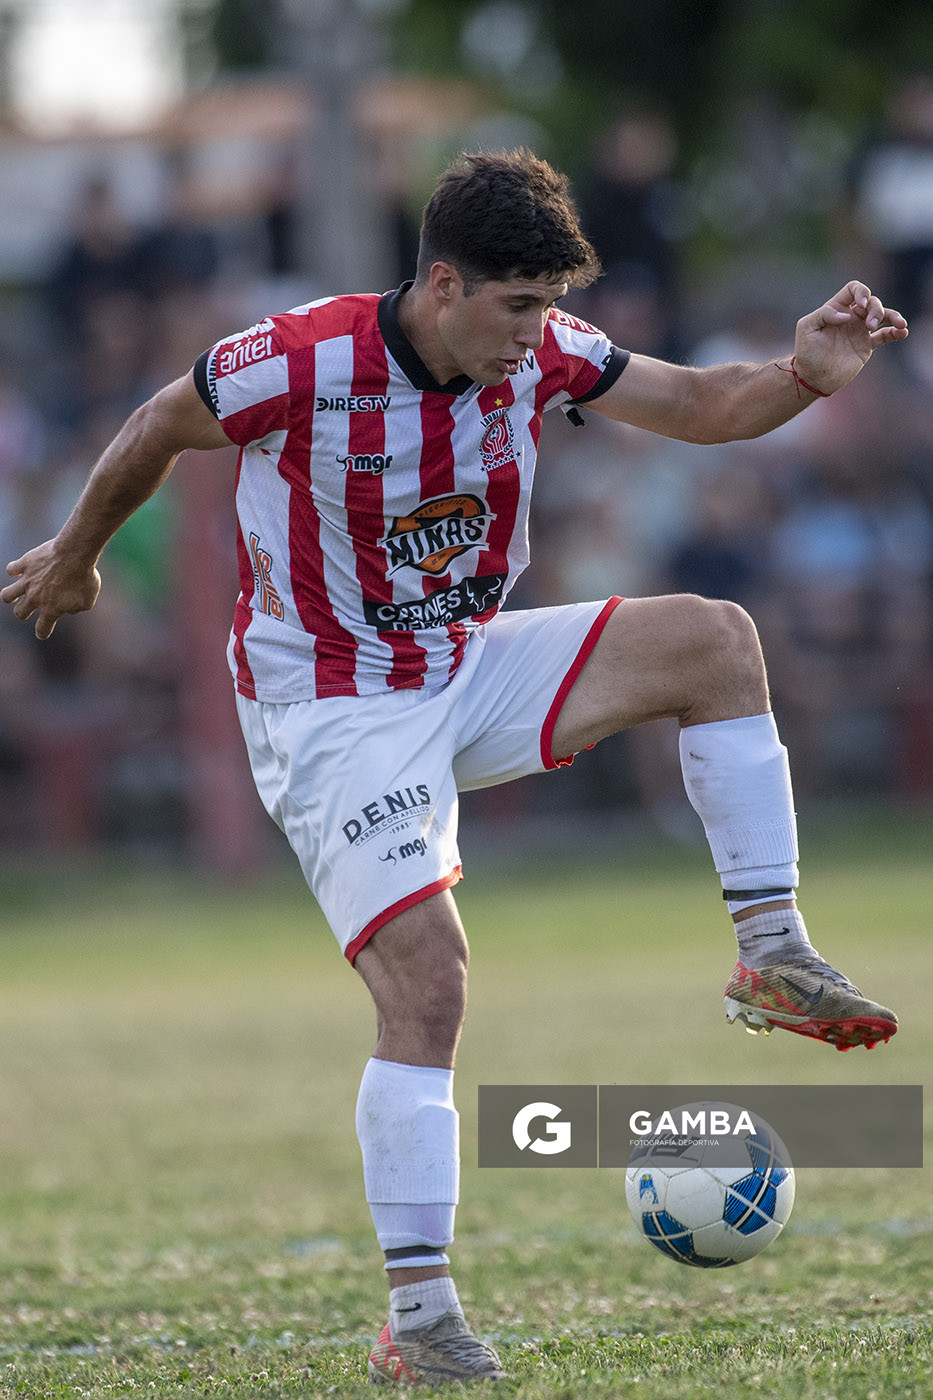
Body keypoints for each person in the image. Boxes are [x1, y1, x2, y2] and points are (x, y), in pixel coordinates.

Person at [2, 149, 907, 1386]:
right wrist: (74, 553)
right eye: (518, 306)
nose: (537, 336)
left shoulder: (539, 348)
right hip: (330, 704)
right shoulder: (305, 359)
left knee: (715, 639)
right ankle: (419, 1319)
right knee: (430, 980)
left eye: (549, 306)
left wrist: (808, 375)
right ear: (442, 283)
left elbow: (700, 404)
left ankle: (773, 946)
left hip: (461, 659)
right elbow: (161, 422)